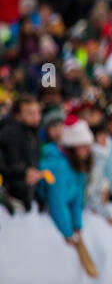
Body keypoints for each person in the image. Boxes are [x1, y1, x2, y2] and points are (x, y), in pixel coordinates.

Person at [38, 118, 93, 246]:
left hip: (63, 219)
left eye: (88, 146)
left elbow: (77, 200)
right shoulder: (60, 166)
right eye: (82, 145)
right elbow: (57, 202)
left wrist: (77, 225)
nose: (87, 150)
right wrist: (67, 232)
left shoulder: (78, 166)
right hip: (45, 218)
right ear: (73, 146)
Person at [0, 93, 44, 210]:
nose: (36, 117)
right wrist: (25, 172)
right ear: (17, 115)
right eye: (30, 113)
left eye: (37, 112)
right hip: (9, 198)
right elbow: (8, 165)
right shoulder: (10, 133)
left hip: (24, 197)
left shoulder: (34, 132)